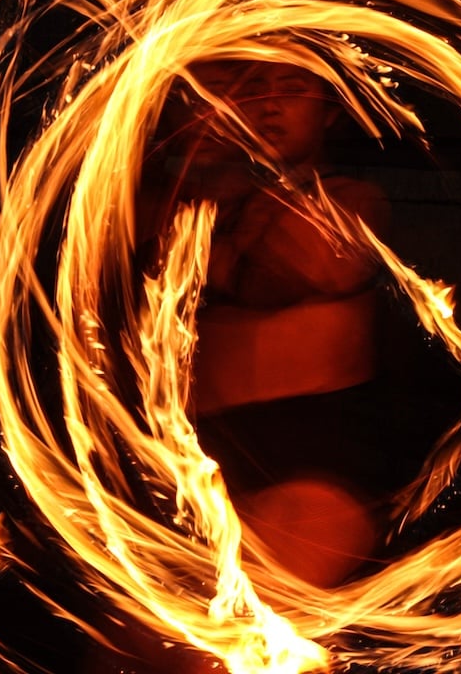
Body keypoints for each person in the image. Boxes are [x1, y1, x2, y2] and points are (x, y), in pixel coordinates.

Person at [147, 58, 393, 588]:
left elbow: (277, 276)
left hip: (309, 459)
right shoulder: (212, 201)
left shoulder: (351, 199)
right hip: (202, 450)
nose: (270, 105)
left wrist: (211, 244)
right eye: (254, 89)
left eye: (293, 89)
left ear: (330, 111)